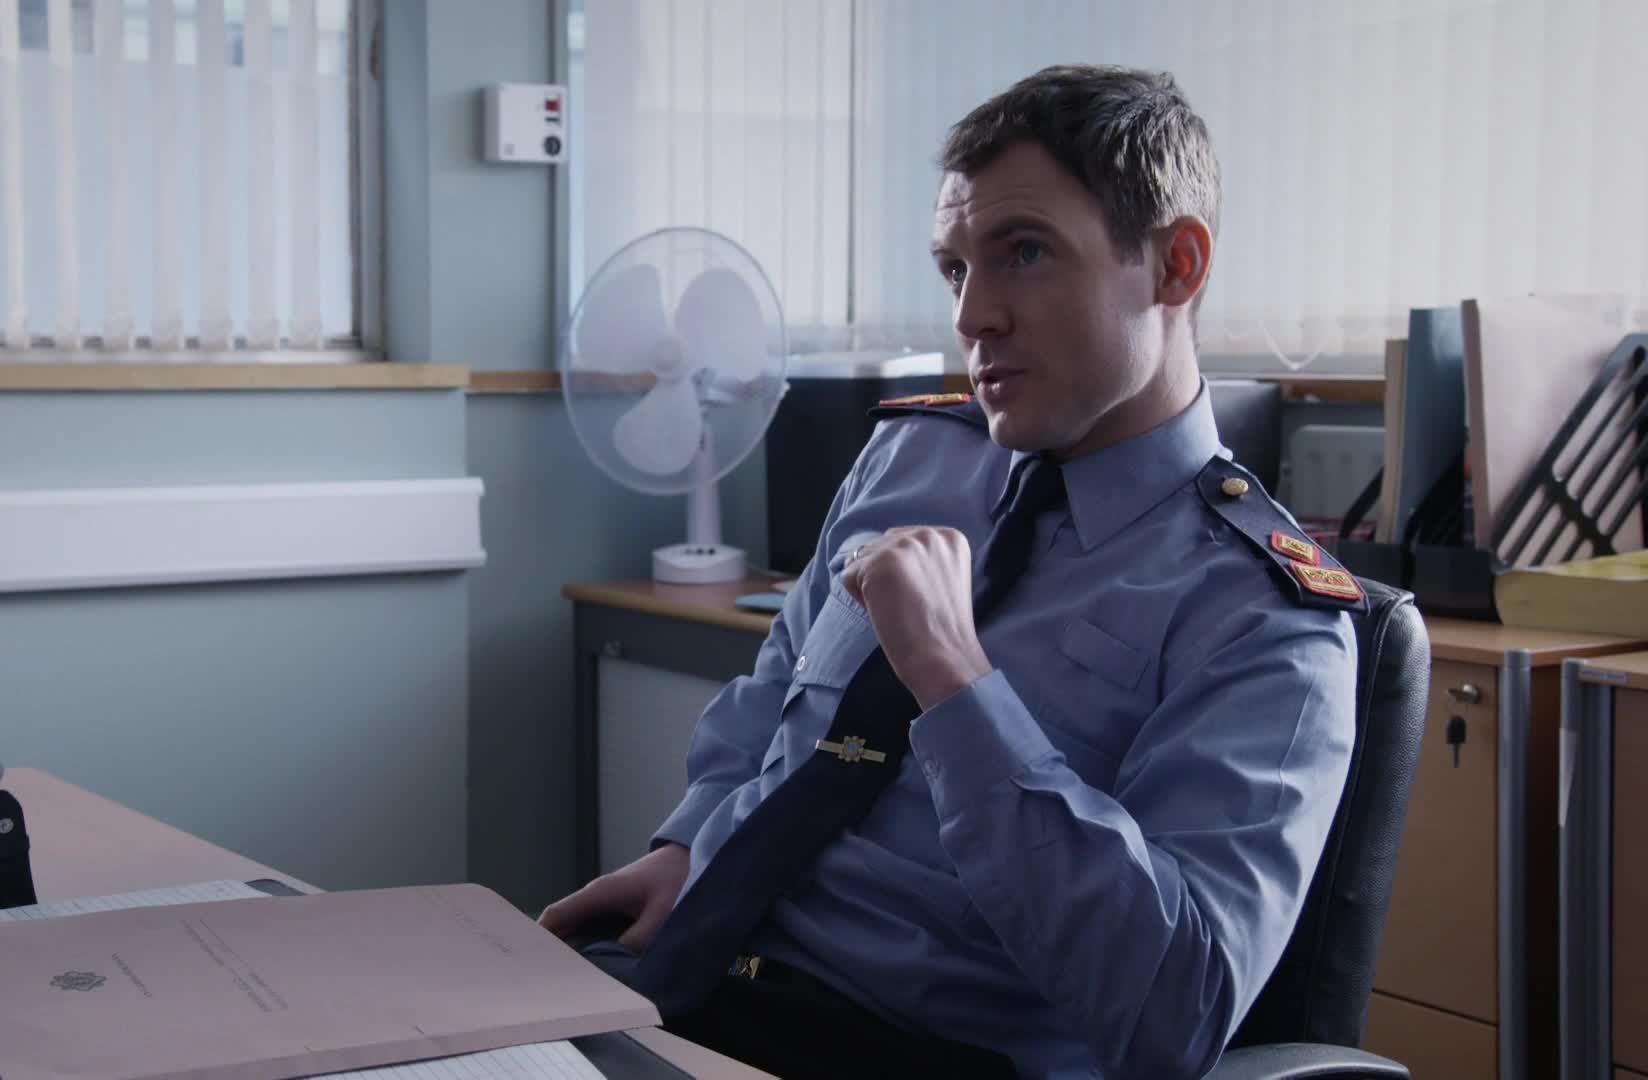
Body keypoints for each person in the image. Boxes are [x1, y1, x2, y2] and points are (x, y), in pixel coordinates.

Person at [542, 64, 1362, 1080]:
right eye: (954, 269)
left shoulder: (1266, 618)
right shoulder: (912, 459)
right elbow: (772, 702)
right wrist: (686, 848)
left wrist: (954, 678)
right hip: (698, 974)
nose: (973, 316)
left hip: (913, 1050)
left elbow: (1170, 1015)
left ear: (1175, 266)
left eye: (1025, 253)